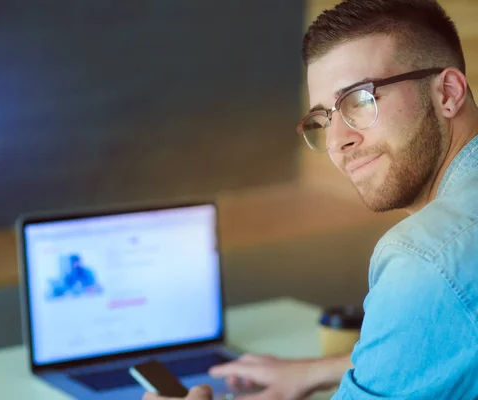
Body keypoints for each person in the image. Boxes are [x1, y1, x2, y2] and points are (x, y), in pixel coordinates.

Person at [143, 0, 478, 399]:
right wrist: (319, 371)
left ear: (448, 93)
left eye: (360, 100)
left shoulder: (424, 258)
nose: (337, 142)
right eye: (324, 118)